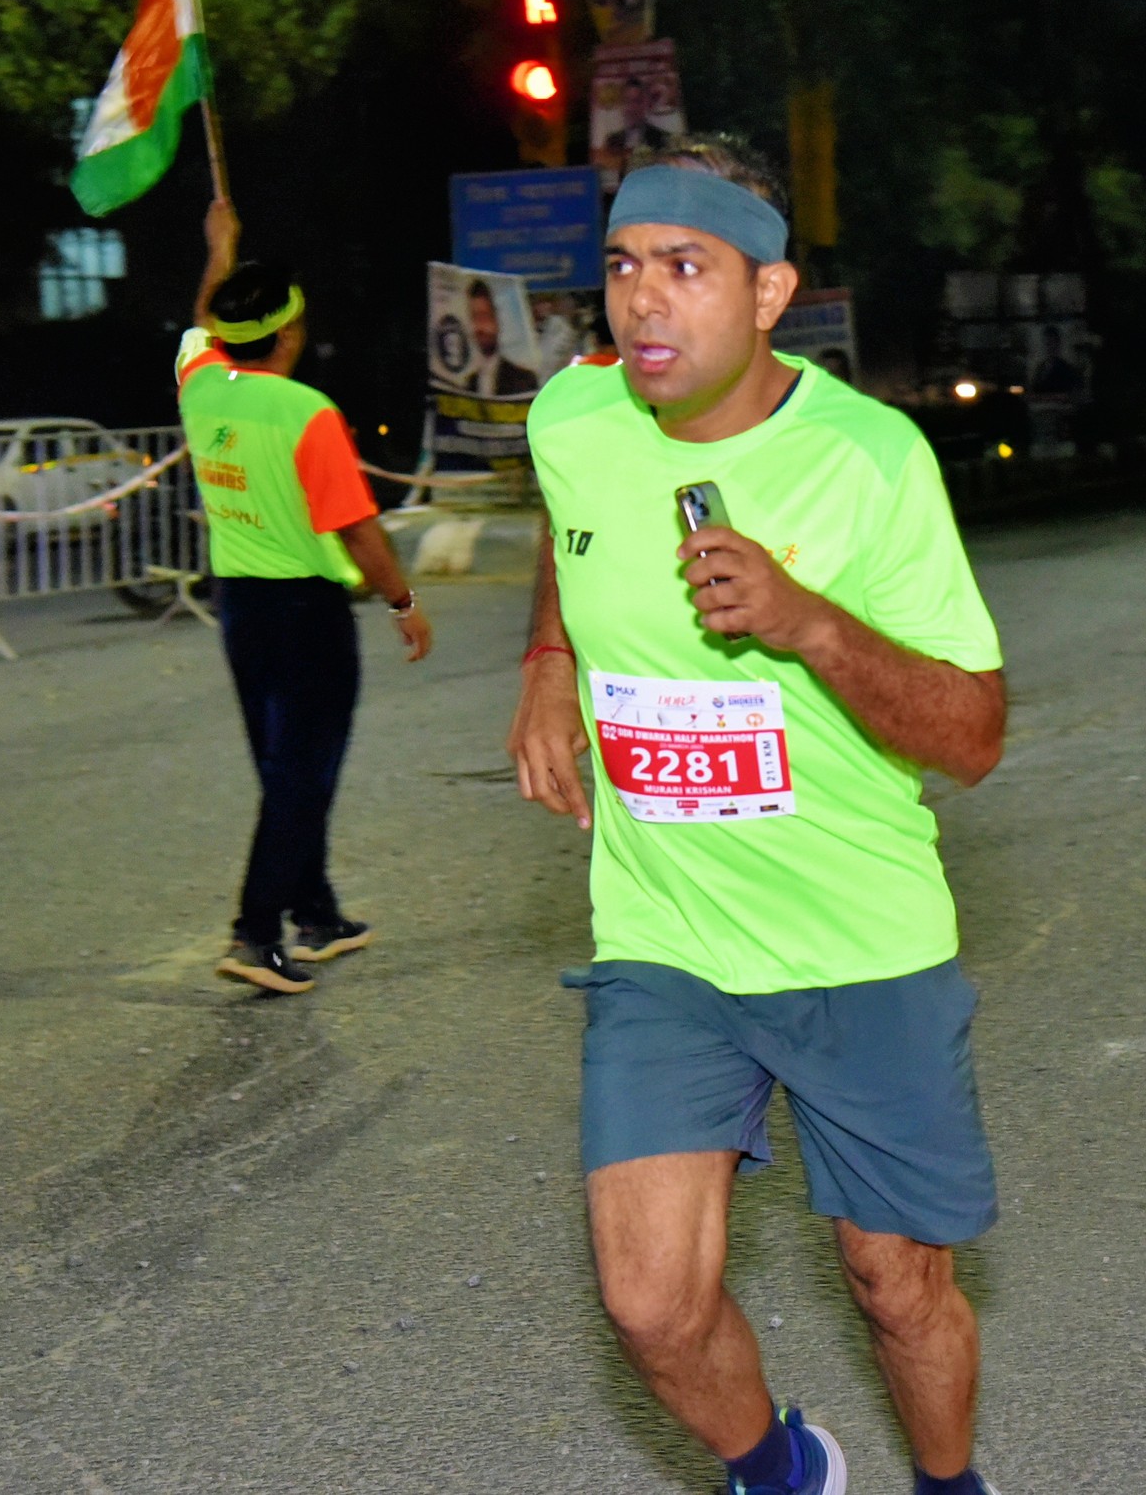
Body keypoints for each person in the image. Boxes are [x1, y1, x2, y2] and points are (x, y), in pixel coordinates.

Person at [509, 136, 1009, 1495]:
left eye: (686, 266)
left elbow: (973, 734)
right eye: (623, 264)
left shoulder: (870, 460)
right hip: (666, 934)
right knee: (648, 1302)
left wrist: (806, 623)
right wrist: (547, 660)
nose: (643, 298)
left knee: (896, 1283)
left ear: (770, 291)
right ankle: (784, 1471)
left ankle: (947, 1484)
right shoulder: (574, 416)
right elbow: (568, 524)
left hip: (858, 939)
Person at [180, 199, 434, 992]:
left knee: (283, 765)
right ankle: (255, 934)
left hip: (240, 609)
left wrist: (219, 247)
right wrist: (402, 602)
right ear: (288, 335)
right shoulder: (306, 413)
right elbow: (358, 530)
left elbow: (200, 322)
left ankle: (315, 914)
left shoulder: (200, 386)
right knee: (302, 773)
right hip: (306, 613)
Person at [463, 279, 540, 398]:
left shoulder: (524, 379)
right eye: (474, 317)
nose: (480, 326)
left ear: (496, 321)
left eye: (484, 316)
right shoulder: (469, 384)